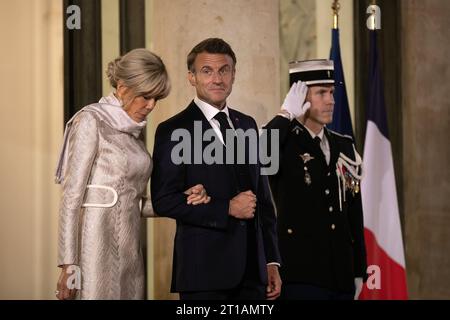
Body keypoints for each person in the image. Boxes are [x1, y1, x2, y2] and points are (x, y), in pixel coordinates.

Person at [55, 48, 210, 300]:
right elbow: (71, 198)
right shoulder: (90, 120)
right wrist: (68, 265)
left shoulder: (133, 133)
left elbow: (133, 201)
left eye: (156, 99)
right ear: (123, 87)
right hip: (93, 248)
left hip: (130, 250)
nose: (150, 106)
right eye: (145, 96)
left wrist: (181, 198)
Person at [151, 38, 282, 300]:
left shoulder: (247, 124)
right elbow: (164, 200)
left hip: (253, 275)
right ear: (192, 77)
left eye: (224, 70)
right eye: (207, 71)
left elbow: (264, 199)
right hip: (204, 275)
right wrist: (227, 208)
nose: (217, 79)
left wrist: (271, 261)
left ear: (234, 74)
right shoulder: (172, 130)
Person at [264, 59, 367, 300]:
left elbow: (354, 212)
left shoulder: (344, 146)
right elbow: (257, 156)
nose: (331, 100)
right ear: (299, 97)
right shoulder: (283, 142)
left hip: (340, 273)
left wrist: (359, 268)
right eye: (321, 93)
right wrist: (285, 114)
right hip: (300, 273)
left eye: (331, 92)